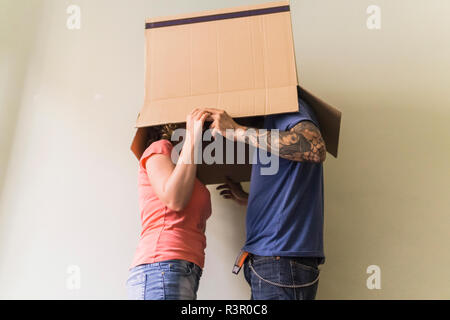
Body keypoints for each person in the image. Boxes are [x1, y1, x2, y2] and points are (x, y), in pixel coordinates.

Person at [207, 87, 327, 300]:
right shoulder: (270, 122)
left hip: (281, 261)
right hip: (272, 261)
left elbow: (314, 146)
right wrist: (248, 199)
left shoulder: (288, 107)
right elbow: (288, 182)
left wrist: (238, 131)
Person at [127, 109, 212, 300]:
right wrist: (192, 137)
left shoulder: (188, 170)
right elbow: (174, 199)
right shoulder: (159, 148)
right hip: (162, 265)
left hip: (182, 267)